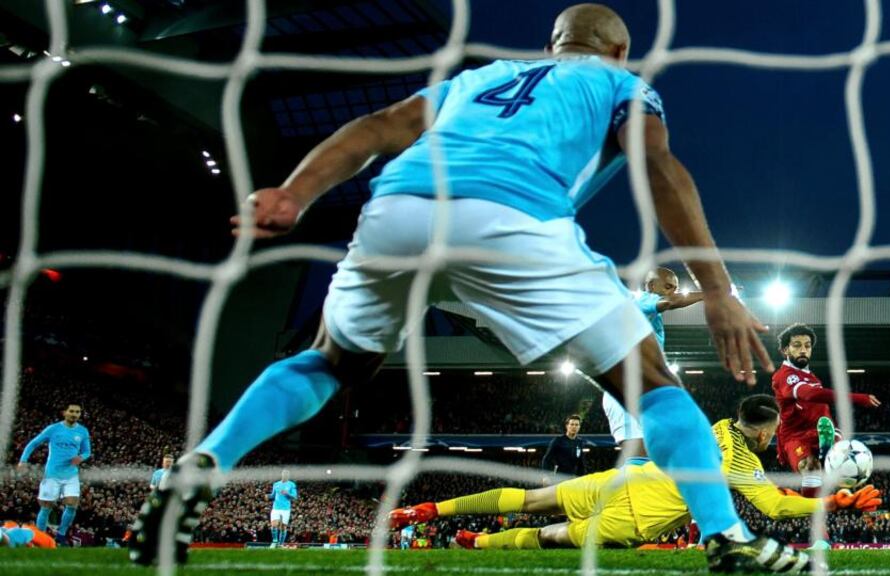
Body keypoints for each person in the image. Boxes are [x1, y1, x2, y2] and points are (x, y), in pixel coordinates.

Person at [130, 4, 814, 571]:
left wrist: (293, 192)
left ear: (551, 44)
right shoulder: (621, 85)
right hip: (513, 218)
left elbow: (376, 129)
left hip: (397, 209)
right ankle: (728, 538)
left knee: (329, 360)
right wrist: (716, 287)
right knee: (653, 385)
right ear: (619, 49)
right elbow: (659, 166)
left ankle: (203, 463)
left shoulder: (479, 79)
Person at [390, 395, 880, 550]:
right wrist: (827, 501)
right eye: (774, 429)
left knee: (532, 499)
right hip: (641, 516)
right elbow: (773, 504)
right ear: (767, 427)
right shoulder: (742, 462)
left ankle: (430, 509)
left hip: (631, 478)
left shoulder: (713, 427)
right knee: (553, 536)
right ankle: (479, 543)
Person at [771, 324, 881, 497]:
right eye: (797, 345)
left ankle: (829, 452)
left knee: (839, 467)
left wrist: (834, 429)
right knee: (809, 467)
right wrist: (858, 398)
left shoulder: (812, 377)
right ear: (786, 349)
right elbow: (809, 394)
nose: (803, 350)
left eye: (807, 346)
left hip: (822, 429)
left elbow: (820, 407)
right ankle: (825, 460)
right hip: (796, 436)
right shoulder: (784, 375)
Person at [17, 402, 91, 546]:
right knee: (46, 507)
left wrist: (80, 458)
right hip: (51, 474)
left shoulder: (82, 431)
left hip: (71, 475)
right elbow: (33, 443)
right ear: (65, 412)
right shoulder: (53, 429)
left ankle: (61, 535)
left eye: (78, 412)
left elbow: (87, 451)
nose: (75, 414)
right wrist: (23, 461)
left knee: (72, 505)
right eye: (72, 411)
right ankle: (39, 537)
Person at [633, 267, 704, 348]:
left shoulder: (651, 311)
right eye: (668, 287)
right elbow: (669, 301)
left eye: (675, 290)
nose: (673, 293)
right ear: (652, 286)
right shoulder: (642, 299)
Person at [540, 415, 586, 481]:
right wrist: (545, 476)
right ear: (567, 426)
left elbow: (581, 463)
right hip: (558, 477)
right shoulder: (558, 440)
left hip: (573, 479)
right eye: (572, 424)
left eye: (576, 425)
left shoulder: (580, 442)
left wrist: (582, 478)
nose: (574, 427)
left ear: (579, 427)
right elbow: (547, 459)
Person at [268, 470, 298, 546]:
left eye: (287, 474)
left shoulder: (292, 484)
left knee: (283, 527)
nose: (285, 475)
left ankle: (281, 544)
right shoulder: (276, 484)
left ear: (288, 475)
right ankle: (275, 541)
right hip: (276, 508)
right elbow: (273, 495)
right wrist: (267, 496)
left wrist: (287, 493)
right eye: (284, 474)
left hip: (286, 509)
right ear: (281, 474)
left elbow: (294, 496)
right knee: (274, 524)